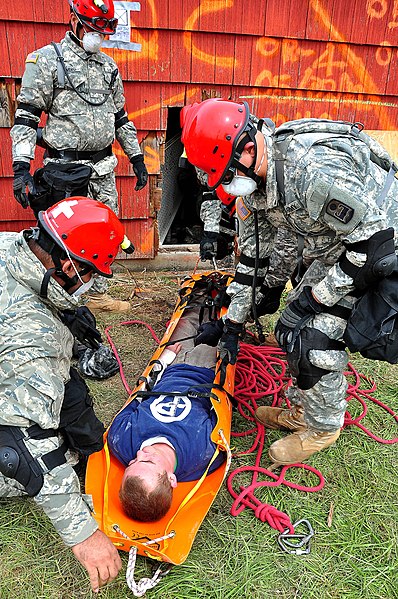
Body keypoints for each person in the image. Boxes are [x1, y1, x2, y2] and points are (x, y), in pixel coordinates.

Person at [181, 98, 398, 466]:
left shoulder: (311, 171)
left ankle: (323, 427)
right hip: (340, 243)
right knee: (287, 328)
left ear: (248, 148)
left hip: (382, 243)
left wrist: (313, 299)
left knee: (314, 331)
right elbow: (253, 260)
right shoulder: (253, 183)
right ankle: (302, 409)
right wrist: (231, 324)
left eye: (228, 174)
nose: (229, 186)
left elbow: (372, 247)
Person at [0, 197, 137, 593]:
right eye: (91, 273)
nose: (93, 283)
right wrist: (85, 536)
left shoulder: (13, 246)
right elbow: (19, 449)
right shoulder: (30, 338)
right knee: (33, 462)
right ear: (68, 265)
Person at [10, 0, 148, 313]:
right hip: (64, 169)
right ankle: (61, 299)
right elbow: (27, 117)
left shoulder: (109, 67)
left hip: (103, 167)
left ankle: (98, 295)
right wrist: (21, 167)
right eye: (92, 27)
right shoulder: (45, 61)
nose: (97, 35)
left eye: (103, 29)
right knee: (63, 236)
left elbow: (121, 117)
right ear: (74, 19)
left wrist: (136, 156)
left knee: (107, 227)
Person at [107, 309, 227, 522]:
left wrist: (164, 359)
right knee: (218, 325)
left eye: (133, 462)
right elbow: (221, 407)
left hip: (171, 365)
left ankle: (204, 294)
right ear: (172, 479)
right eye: (149, 462)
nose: (142, 453)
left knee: (190, 316)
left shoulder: (121, 440)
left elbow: (139, 395)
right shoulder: (204, 454)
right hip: (205, 370)